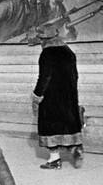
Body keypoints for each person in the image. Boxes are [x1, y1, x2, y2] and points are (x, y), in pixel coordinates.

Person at [31, 25, 83, 169]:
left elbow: (45, 77)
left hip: (51, 97)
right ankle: (76, 147)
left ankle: (54, 160)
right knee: (69, 122)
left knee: (50, 126)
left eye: (41, 39)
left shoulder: (47, 53)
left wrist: (37, 94)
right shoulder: (69, 52)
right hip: (69, 95)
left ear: (44, 39)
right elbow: (76, 75)